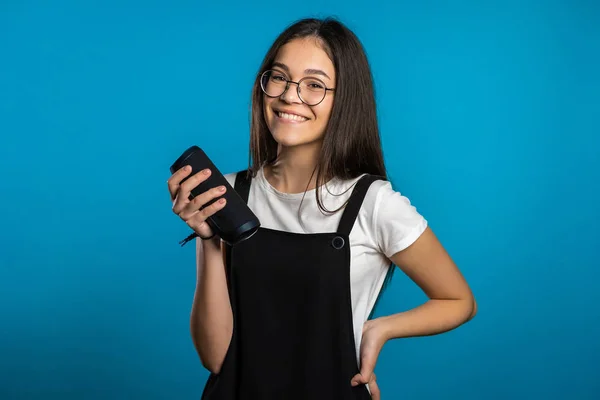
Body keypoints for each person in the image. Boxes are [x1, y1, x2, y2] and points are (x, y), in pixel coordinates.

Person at [167, 17, 477, 400]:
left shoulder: (373, 203)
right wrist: (210, 238)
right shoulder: (228, 192)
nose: (290, 96)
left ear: (344, 100)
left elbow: (458, 300)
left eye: (314, 85)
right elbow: (215, 359)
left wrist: (377, 330)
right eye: (278, 77)